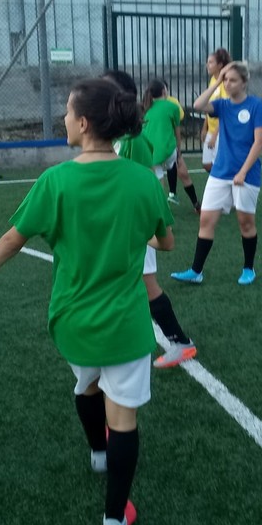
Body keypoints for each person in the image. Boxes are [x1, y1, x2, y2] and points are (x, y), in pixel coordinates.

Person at [0, 78, 175, 525]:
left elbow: (12, 240)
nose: (64, 120)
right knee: (123, 417)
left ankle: (97, 453)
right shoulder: (141, 180)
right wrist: (137, 233)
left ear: (83, 124)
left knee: (86, 383)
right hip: (125, 325)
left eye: (68, 113)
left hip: (71, 321)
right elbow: (165, 242)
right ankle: (114, 519)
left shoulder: (55, 181)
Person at [104, 71, 197, 368]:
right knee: (126, 283)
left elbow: (148, 185)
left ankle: (180, 342)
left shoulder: (133, 140)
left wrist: (149, 225)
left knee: (146, 284)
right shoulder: (116, 139)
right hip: (120, 226)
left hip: (134, 228)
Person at [171, 61, 262, 286]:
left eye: (232, 79)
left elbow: (259, 142)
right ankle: (196, 271)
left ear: (245, 82)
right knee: (206, 220)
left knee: (245, 223)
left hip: (246, 175)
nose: (228, 83)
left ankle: (248, 268)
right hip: (220, 173)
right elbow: (198, 104)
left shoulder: (256, 106)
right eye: (226, 79)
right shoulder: (222, 104)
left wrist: (243, 172)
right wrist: (217, 81)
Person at [164, 93, 201, 214]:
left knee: (183, 173)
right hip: (154, 147)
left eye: (165, 91)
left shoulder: (172, 103)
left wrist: (178, 149)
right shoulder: (149, 105)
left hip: (170, 146)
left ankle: (196, 204)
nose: (164, 94)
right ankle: (160, 214)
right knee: (155, 179)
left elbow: (178, 121)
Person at [200, 49, 230, 173]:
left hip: (221, 132)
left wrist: (215, 135)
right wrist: (205, 128)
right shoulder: (213, 80)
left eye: (211, 62)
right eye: (208, 62)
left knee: (219, 165)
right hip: (211, 130)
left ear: (220, 65)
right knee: (207, 164)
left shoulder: (225, 83)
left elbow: (225, 112)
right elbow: (210, 106)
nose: (207, 65)